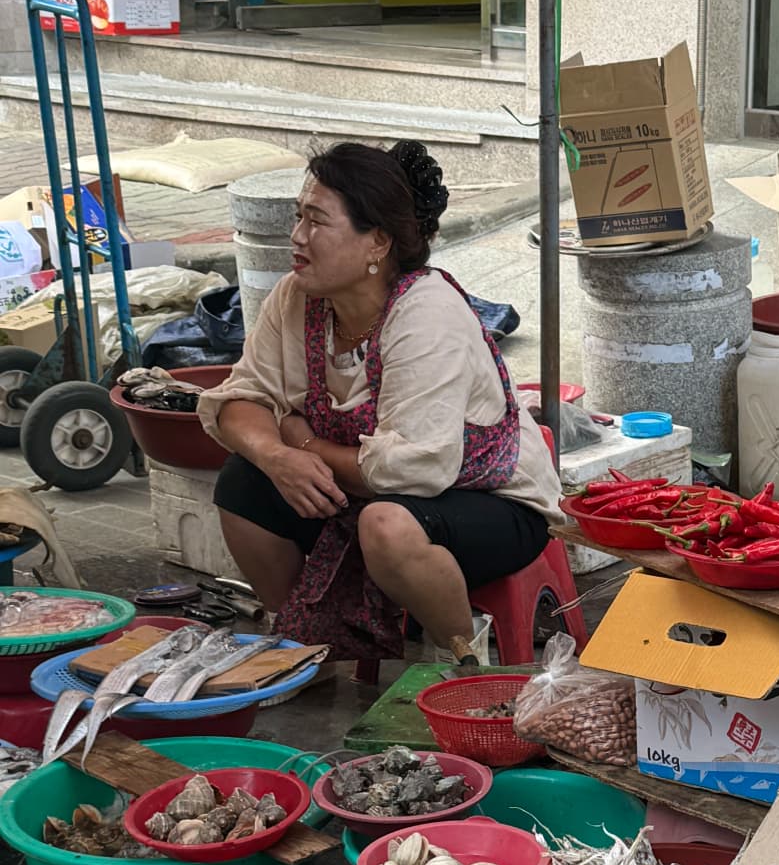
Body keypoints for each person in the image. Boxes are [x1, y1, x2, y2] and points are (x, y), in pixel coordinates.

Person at [197, 139, 562, 659]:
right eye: (299, 217)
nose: (297, 237)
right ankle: (301, 650)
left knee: (386, 523)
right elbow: (239, 399)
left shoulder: (427, 312)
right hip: (367, 487)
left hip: (490, 501)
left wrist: (302, 441)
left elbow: (414, 470)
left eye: (318, 221)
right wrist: (277, 457)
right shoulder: (297, 298)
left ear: (378, 242)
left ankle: (463, 660)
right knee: (244, 482)